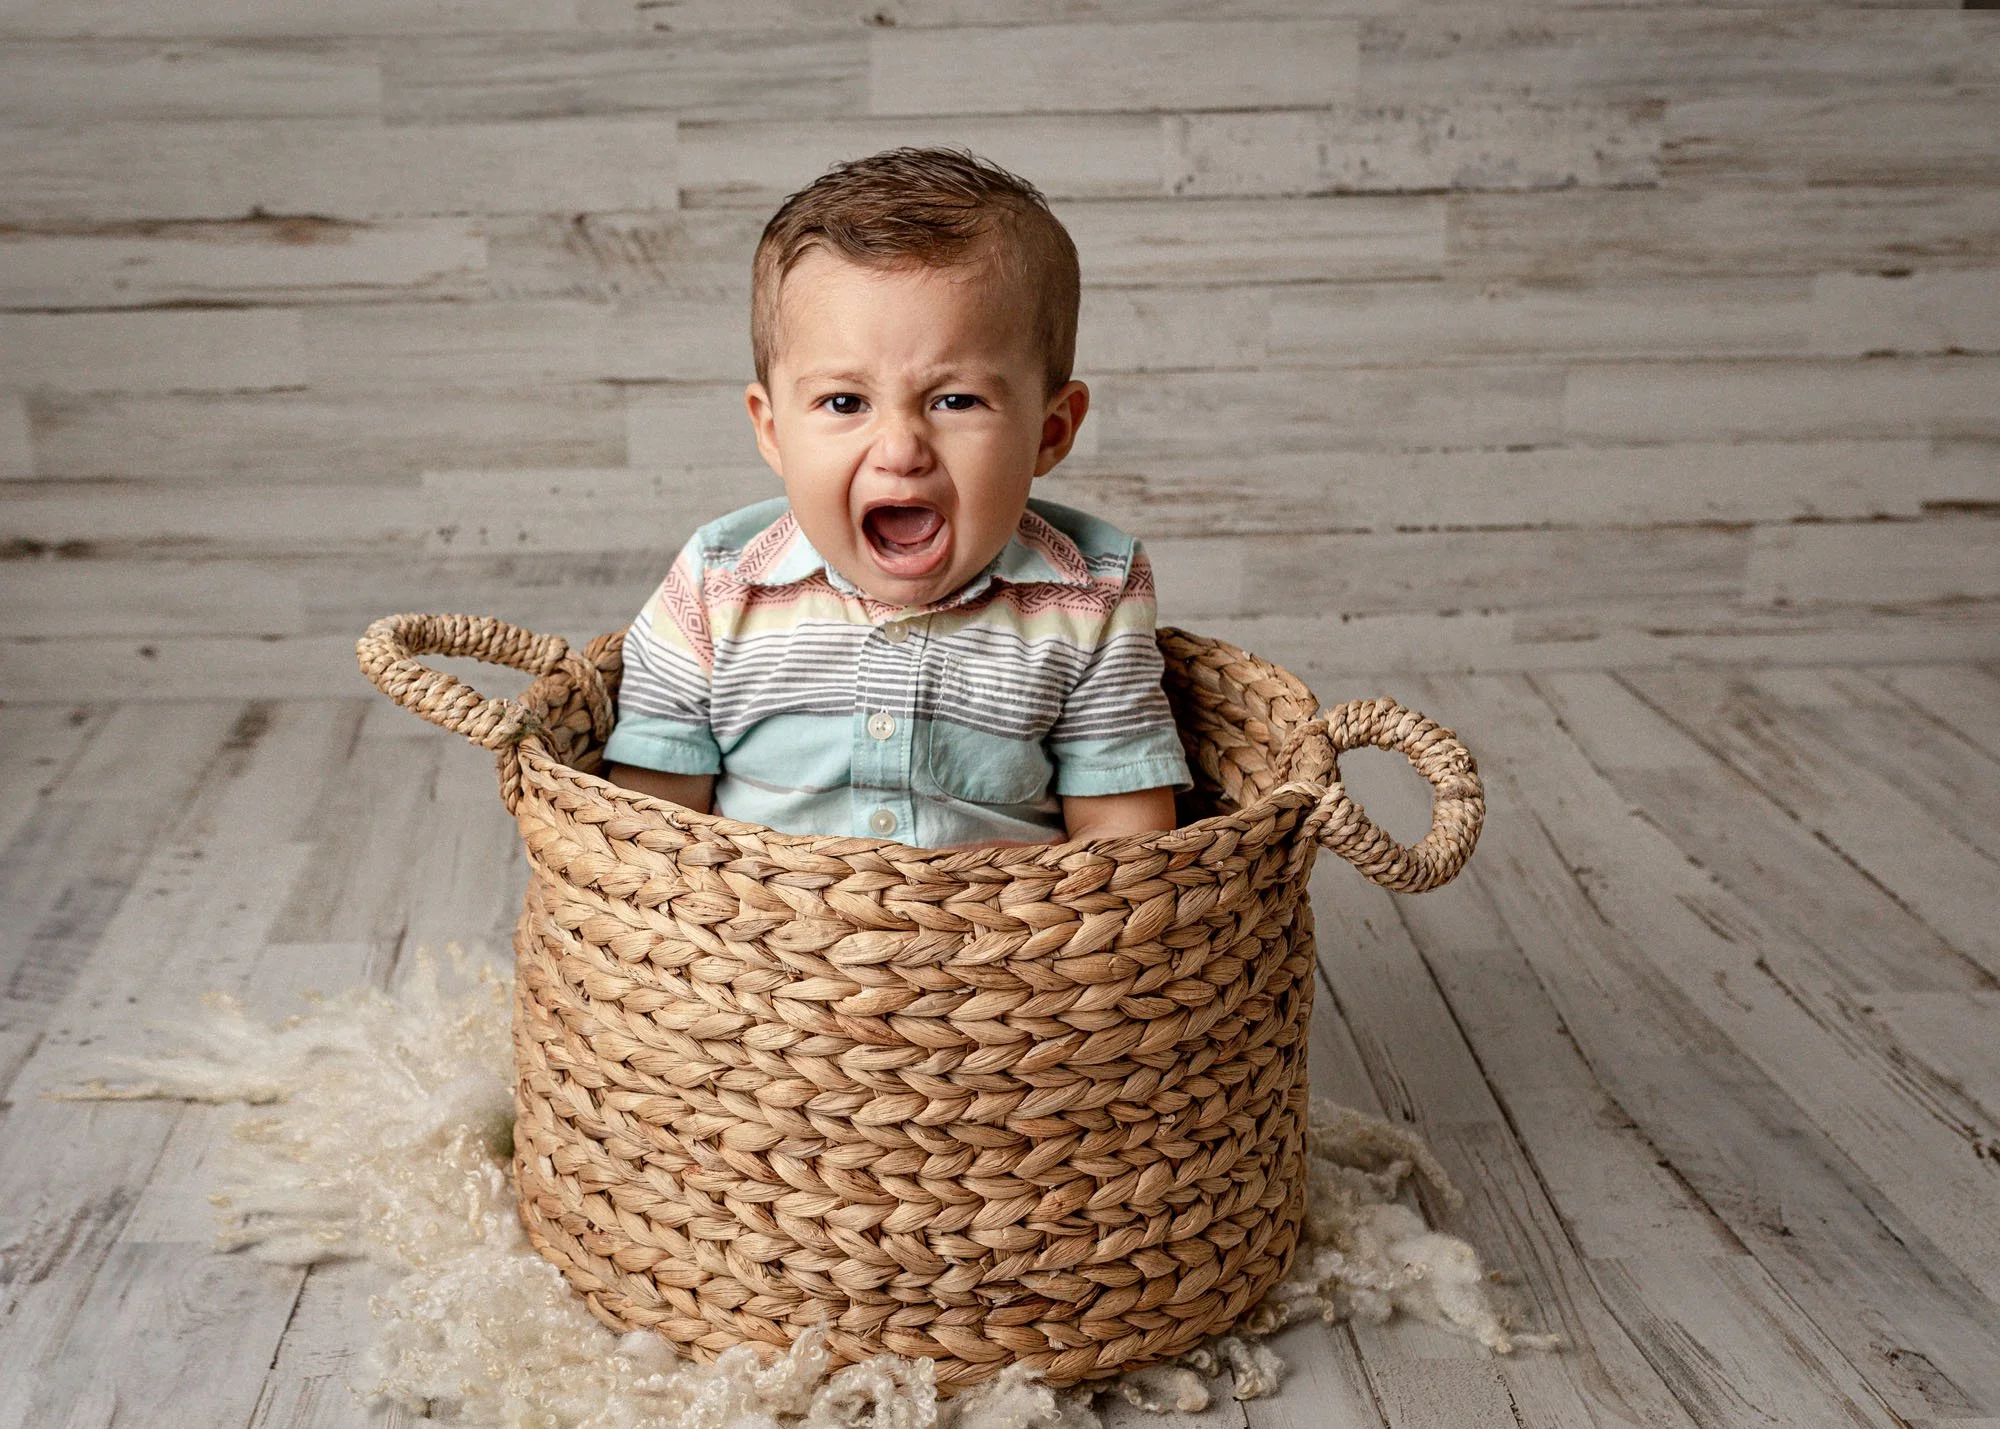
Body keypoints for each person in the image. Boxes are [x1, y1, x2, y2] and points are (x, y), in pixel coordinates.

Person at [602, 147, 1192, 848]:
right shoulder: (717, 584)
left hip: (1009, 948)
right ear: (772, 429)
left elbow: (1123, 843)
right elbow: (651, 825)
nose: (901, 449)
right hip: (756, 944)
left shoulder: (1090, 592)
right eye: (845, 401)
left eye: (955, 399)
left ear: (1050, 431)